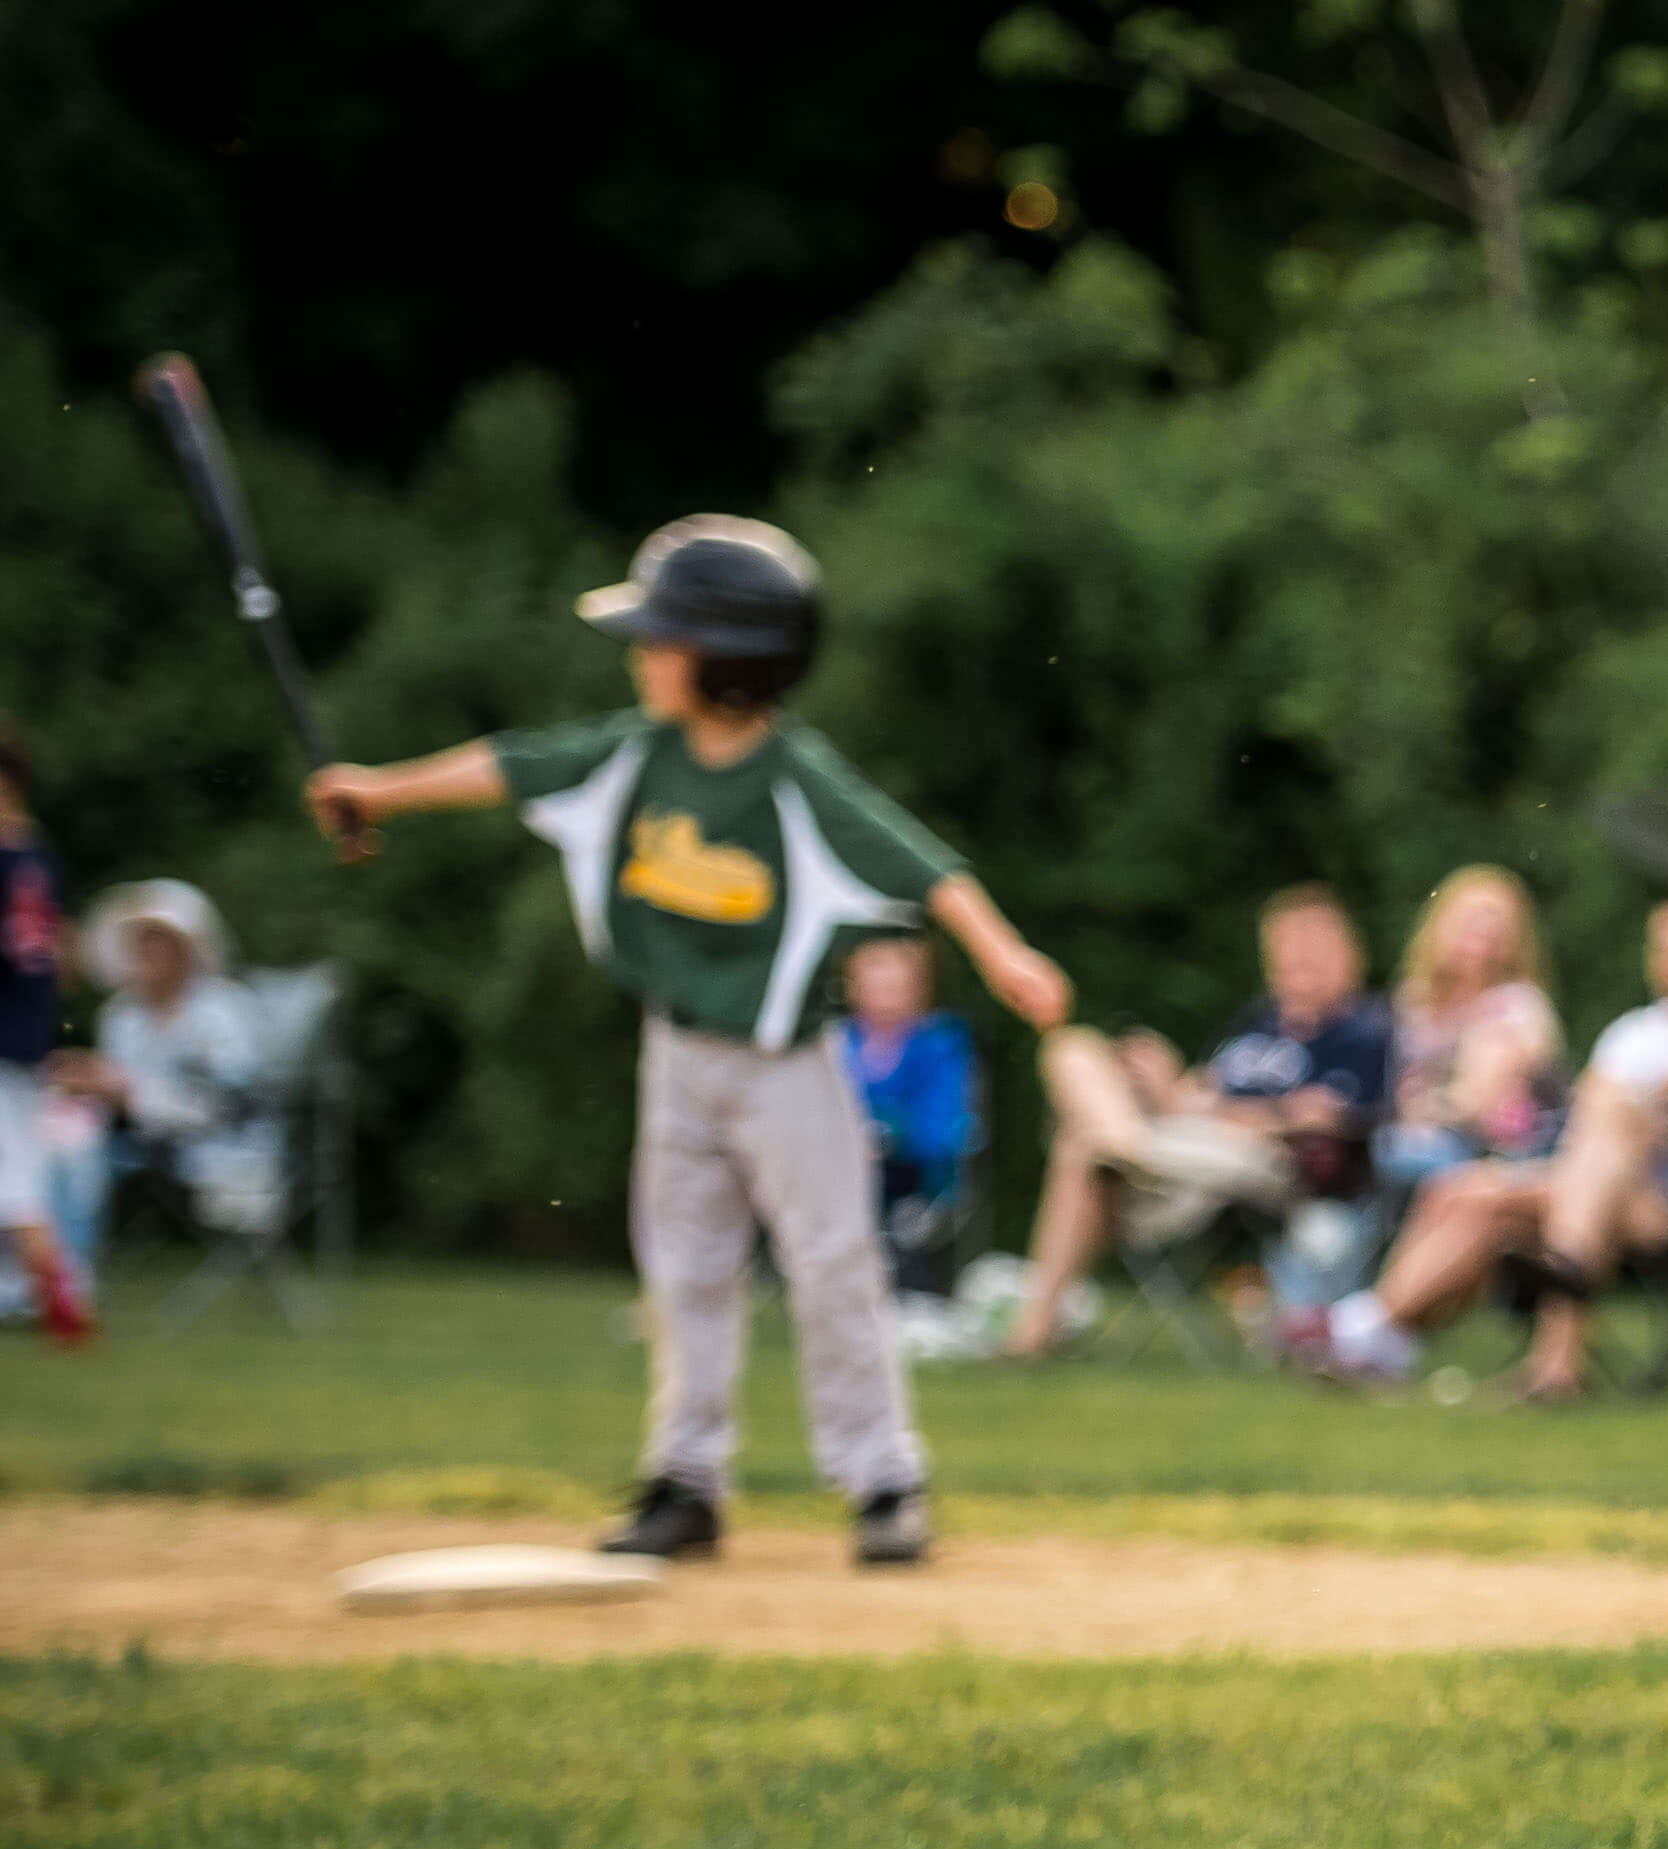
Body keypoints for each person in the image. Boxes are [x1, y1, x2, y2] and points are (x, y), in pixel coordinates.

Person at [305, 518, 1074, 1564]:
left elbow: (923, 865)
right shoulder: (634, 758)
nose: (641, 654)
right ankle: (685, 1480)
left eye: (661, 637)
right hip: (676, 1056)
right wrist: (377, 787)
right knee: (683, 1271)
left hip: (786, 1067)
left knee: (833, 1264)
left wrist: (1004, 953)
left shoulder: (796, 782)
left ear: (730, 659)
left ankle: (883, 1479)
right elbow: (515, 766)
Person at [1311, 892, 1668, 1386]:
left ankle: (1363, 1331)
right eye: (1664, 948)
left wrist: (1645, 1099)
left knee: (1596, 1131)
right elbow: (1599, 1106)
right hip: (1612, 1185)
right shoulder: (1635, 1031)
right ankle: (1385, 1339)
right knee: (1462, 1191)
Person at [1004, 883, 1389, 1358]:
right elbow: (1201, 1090)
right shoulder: (1256, 1022)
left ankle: (1035, 1327)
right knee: (1072, 1048)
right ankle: (1124, 1146)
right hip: (1188, 1144)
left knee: (1081, 1146)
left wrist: (1211, 1110)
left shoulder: (1361, 1028)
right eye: (1286, 944)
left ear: (1347, 953)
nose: (1296, 957)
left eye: (1312, 944)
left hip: (1261, 1164)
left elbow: (1321, 1120)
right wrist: (1163, 1081)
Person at [46, 881, 278, 1278]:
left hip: (218, 1149)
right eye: (140, 942)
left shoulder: (222, 1011)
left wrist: (125, 1090)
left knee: (80, 1156)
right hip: (139, 1142)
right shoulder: (121, 1014)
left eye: (159, 941)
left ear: (187, 949)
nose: (147, 952)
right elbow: (120, 1095)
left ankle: (70, 1281)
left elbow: (232, 1104)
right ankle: (41, 1277)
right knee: (54, 1140)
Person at [1373, 864, 1563, 1194]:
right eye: (1471, 925)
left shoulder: (1517, 1005)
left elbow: (1487, 1094)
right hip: (1420, 1134)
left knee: (1399, 1154)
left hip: (1499, 1148)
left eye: (1492, 929)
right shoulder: (1413, 999)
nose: (1480, 941)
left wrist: (1434, 1111)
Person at [0, 728, 86, 1344]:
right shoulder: (39, 857)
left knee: (16, 1184)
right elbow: (66, 954)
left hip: (4, 1034)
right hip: (28, 1031)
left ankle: (63, 1306)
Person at [833, 937, 975, 1302]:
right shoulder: (834, 1042)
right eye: (876, 984)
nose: (885, 995)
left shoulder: (939, 1043)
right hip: (839, 1165)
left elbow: (943, 1122)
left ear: (919, 989)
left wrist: (887, 1135)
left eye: (895, 986)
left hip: (914, 1175)